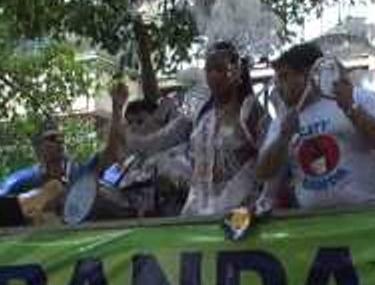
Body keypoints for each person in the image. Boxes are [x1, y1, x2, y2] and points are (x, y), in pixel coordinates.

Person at [113, 41, 269, 216]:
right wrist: (117, 111)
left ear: (237, 72)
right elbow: (150, 145)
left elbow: (274, 160)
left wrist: (265, 201)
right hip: (197, 214)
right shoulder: (199, 116)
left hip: (241, 214)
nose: (213, 75)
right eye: (208, 70)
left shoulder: (250, 111)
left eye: (220, 69)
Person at [256, 41, 375, 208]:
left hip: (368, 211)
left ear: (308, 75)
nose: (278, 86)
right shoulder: (283, 121)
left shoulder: (358, 97)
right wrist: (283, 137)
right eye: (277, 79)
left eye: (284, 77)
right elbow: (263, 173)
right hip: (316, 219)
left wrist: (351, 108)